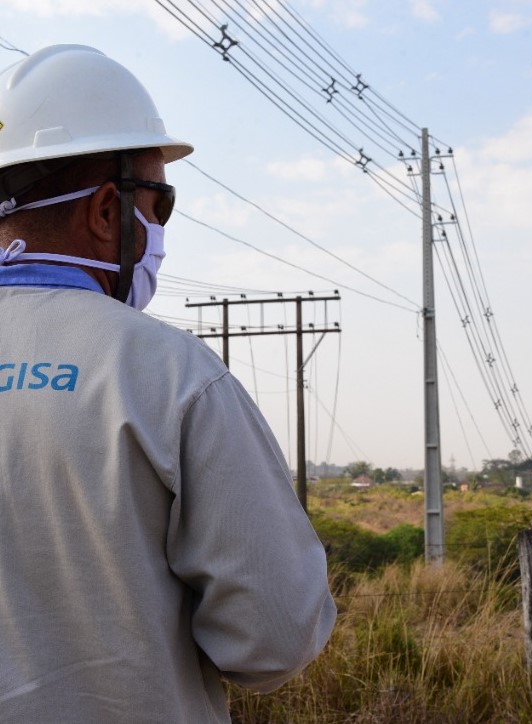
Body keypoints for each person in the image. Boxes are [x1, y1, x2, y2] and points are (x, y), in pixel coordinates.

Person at [0, 44, 336, 723]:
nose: (156, 228)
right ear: (103, 210)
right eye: (160, 202)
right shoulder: (173, 376)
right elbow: (271, 639)